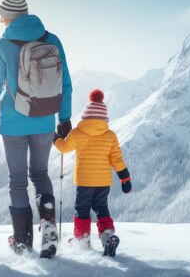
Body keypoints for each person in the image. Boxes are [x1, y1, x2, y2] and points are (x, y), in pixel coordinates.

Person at [0, 0, 73, 258]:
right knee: (40, 174)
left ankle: (22, 242)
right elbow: (65, 83)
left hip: (14, 124)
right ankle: (49, 224)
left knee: (18, 181)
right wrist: (64, 118)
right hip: (44, 121)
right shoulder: (52, 40)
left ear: (7, 18)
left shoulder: (1, 47)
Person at [53, 89, 132, 257]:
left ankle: (82, 241)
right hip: (103, 182)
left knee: (82, 209)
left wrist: (54, 138)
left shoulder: (77, 133)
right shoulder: (110, 135)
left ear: (85, 115)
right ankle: (107, 236)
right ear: (104, 118)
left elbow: (64, 148)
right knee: (101, 208)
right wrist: (125, 178)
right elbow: (117, 160)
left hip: (84, 181)